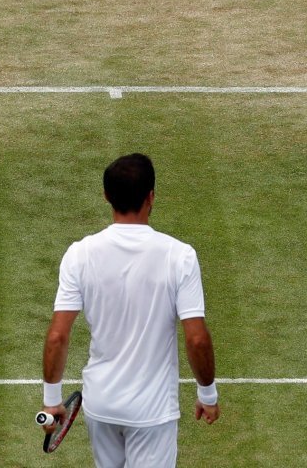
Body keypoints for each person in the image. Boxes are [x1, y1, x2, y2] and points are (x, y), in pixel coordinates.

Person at [40, 153, 219, 466]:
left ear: (107, 196)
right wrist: (208, 396)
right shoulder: (180, 257)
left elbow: (57, 336)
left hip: (102, 406)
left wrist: (52, 400)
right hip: (151, 411)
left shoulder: (78, 255)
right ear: (151, 197)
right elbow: (197, 340)